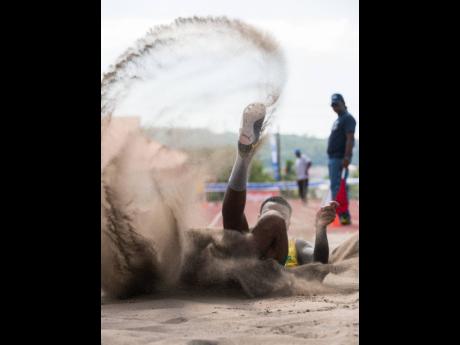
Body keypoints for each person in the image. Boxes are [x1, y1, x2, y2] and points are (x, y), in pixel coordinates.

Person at [222, 103, 336, 266]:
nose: (272, 216)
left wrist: (320, 229)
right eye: (266, 214)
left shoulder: (296, 245)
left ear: (288, 225)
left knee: (273, 220)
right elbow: (231, 217)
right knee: (236, 225)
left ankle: (243, 158)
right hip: (244, 262)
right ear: (259, 219)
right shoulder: (248, 235)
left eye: (283, 217)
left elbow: (319, 263)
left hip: (274, 276)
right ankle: (243, 157)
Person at [327, 93, 356, 225]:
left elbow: (350, 138)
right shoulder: (338, 120)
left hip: (340, 159)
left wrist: (347, 157)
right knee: (336, 187)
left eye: (336, 104)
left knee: (339, 188)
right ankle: (340, 215)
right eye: (333, 105)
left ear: (343, 103)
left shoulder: (348, 118)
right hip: (333, 158)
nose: (335, 107)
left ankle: (344, 216)